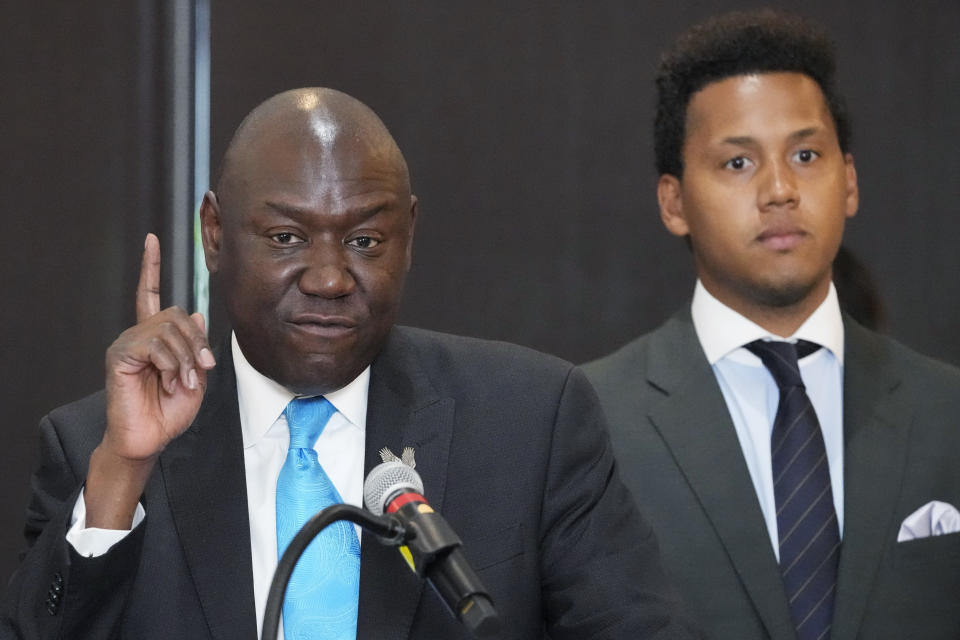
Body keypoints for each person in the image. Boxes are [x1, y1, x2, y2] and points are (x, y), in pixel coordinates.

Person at [2, 88, 695, 640]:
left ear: (409, 235)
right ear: (215, 234)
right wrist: (122, 472)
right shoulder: (96, 449)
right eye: (286, 237)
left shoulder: (530, 423)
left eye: (365, 239)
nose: (330, 277)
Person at [584, 10, 960, 640]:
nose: (780, 189)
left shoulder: (948, 411)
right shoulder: (590, 422)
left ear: (849, 181)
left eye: (807, 154)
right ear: (673, 202)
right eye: (737, 164)